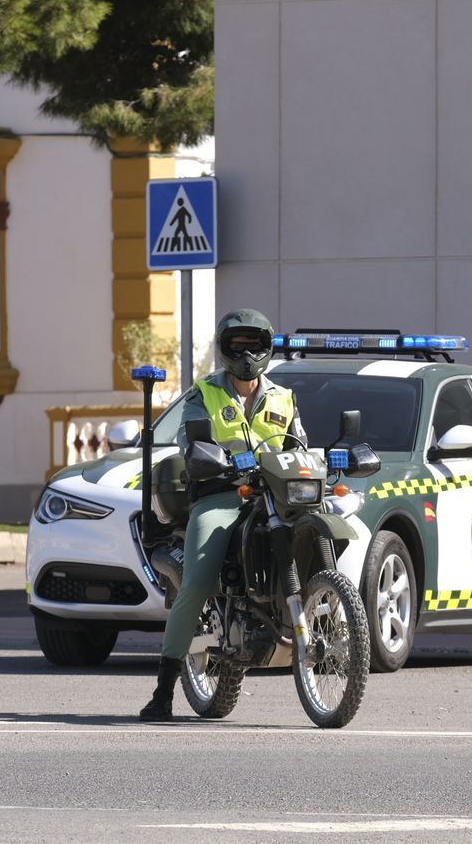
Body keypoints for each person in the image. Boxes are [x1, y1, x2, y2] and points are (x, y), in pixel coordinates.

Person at [139, 308, 306, 721]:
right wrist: (206, 457)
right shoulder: (204, 393)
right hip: (222, 496)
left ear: (266, 348)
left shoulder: (283, 397)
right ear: (225, 348)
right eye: (238, 344)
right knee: (197, 582)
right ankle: (163, 690)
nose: (247, 353)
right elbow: (190, 441)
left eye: (254, 344)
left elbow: (298, 445)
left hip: (275, 496)